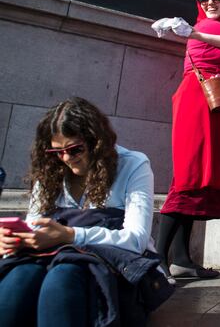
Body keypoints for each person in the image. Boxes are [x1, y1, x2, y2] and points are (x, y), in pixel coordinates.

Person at [0, 97, 170, 326]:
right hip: (51, 256)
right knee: (19, 278)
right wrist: (15, 239)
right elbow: (34, 224)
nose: (66, 158)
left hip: (109, 264)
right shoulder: (51, 169)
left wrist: (70, 235)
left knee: (63, 278)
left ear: (96, 141)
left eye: (75, 149)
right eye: (57, 151)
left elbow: (136, 239)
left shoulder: (133, 164)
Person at [155, 0, 220, 279]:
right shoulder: (206, 27)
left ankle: (181, 259)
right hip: (197, 101)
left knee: (199, 178)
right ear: (199, 3)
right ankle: (156, 259)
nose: (211, 2)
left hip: (215, 104)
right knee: (188, 177)